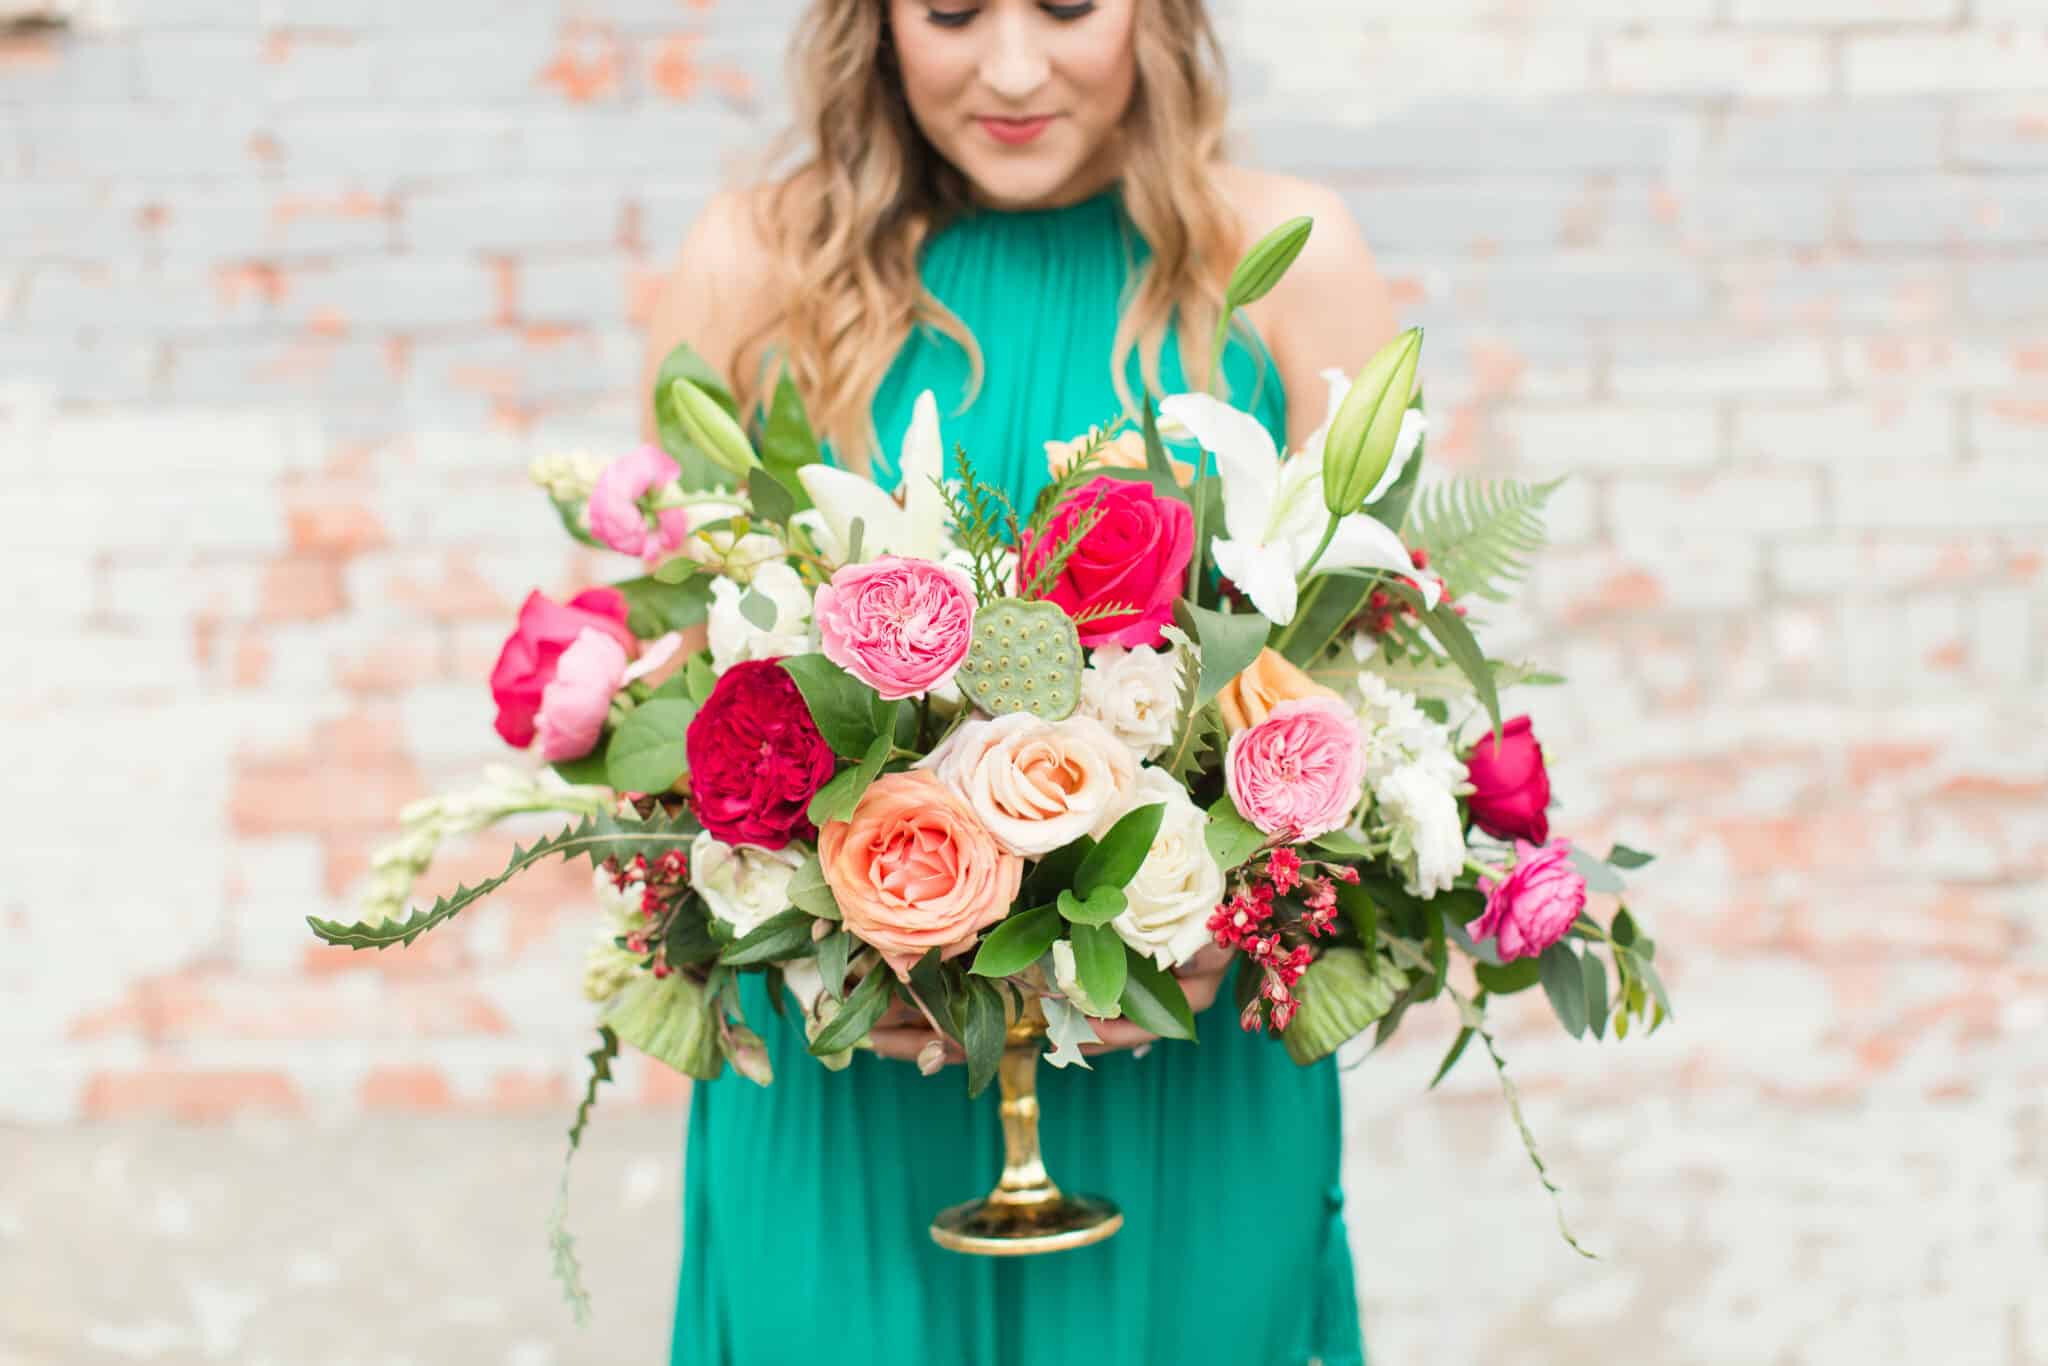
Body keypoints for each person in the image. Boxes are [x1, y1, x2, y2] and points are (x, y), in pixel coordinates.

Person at [640, 2, 1397, 1361]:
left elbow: (1377, 725)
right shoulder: (753, 270)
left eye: (1065, 5)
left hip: (1183, 1089)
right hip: (847, 1105)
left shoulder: (1286, 264)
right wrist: (824, 935)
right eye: (947, 11)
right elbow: (674, 731)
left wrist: (1226, 918)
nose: (1009, 67)